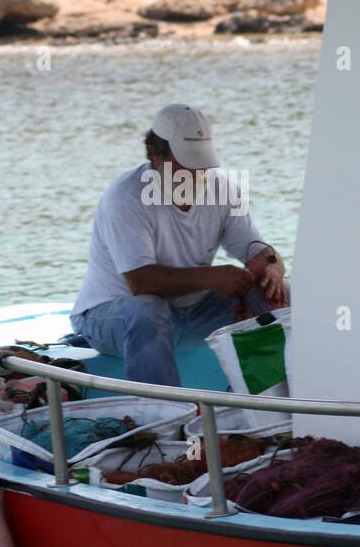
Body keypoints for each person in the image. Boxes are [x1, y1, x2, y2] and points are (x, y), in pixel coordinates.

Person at [70, 104, 286, 386]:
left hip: (191, 315)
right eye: (185, 163)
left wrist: (272, 267)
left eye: (202, 163)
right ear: (153, 154)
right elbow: (140, 282)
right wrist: (212, 277)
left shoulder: (223, 190)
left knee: (283, 294)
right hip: (109, 319)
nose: (196, 173)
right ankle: (162, 418)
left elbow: (257, 250)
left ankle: (272, 407)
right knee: (147, 308)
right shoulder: (126, 197)